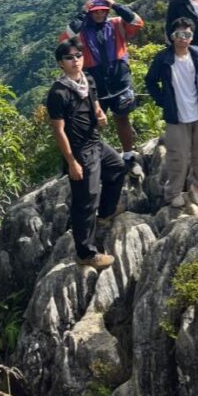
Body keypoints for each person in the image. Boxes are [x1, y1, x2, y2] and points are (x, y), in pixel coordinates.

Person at [46, 38, 126, 270]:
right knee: (85, 201)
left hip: (95, 143)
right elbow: (59, 131)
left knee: (117, 168)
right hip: (80, 152)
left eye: (78, 56)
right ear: (61, 63)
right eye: (69, 57)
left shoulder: (87, 79)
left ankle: (106, 213)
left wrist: (101, 116)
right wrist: (72, 162)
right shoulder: (58, 93)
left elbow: (95, 104)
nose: (75, 61)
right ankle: (86, 253)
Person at [65, 0, 145, 180]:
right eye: (95, 11)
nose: (100, 14)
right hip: (95, 85)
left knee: (122, 118)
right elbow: (65, 37)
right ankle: (91, 160)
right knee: (92, 123)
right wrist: (83, 12)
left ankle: (128, 156)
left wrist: (115, 4)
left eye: (103, 10)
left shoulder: (116, 23)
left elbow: (137, 22)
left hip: (119, 82)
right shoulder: (82, 32)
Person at [145, 17, 198, 208]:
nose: (183, 38)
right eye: (179, 34)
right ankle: (173, 193)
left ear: (192, 36)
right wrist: (163, 100)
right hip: (176, 116)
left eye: (187, 34)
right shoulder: (163, 58)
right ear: (172, 36)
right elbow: (150, 81)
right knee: (178, 157)